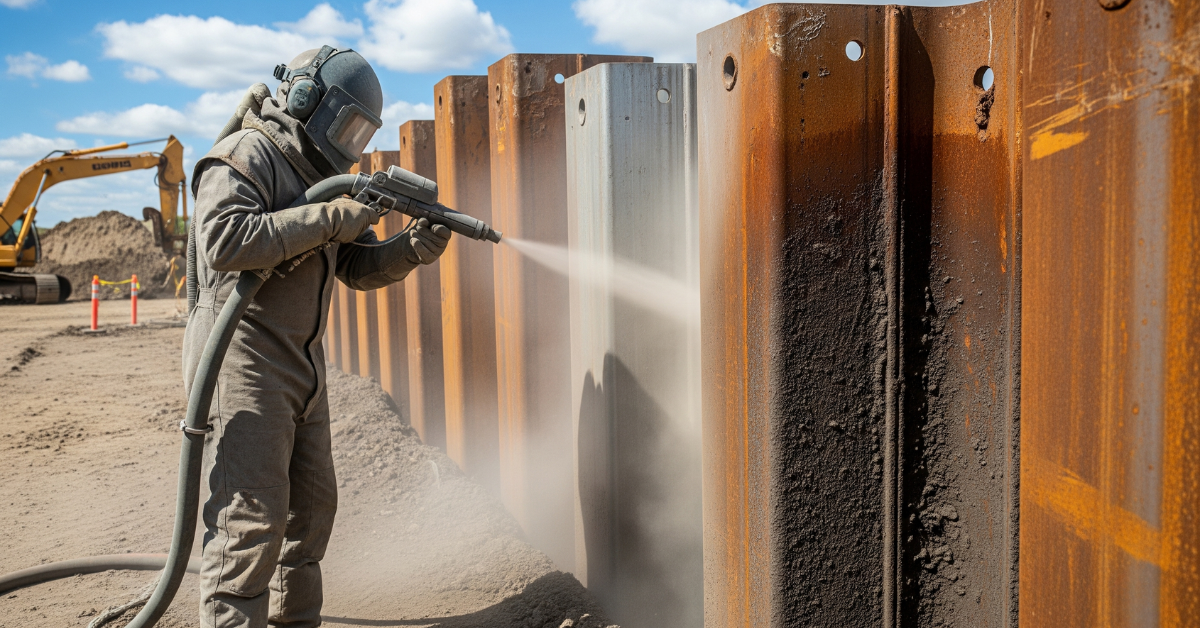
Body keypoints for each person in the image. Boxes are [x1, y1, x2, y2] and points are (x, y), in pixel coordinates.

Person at [183, 46, 450, 627]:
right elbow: (225, 243)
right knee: (248, 524)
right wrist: (331, 217)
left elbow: (351, 267)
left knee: (307, 515)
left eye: (362, 134)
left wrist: (407, 251)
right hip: (244, 364)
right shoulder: (244, 155)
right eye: (348, 127)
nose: (352, 144)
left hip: (302, 367)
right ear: (309, 101)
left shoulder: (320, 175)